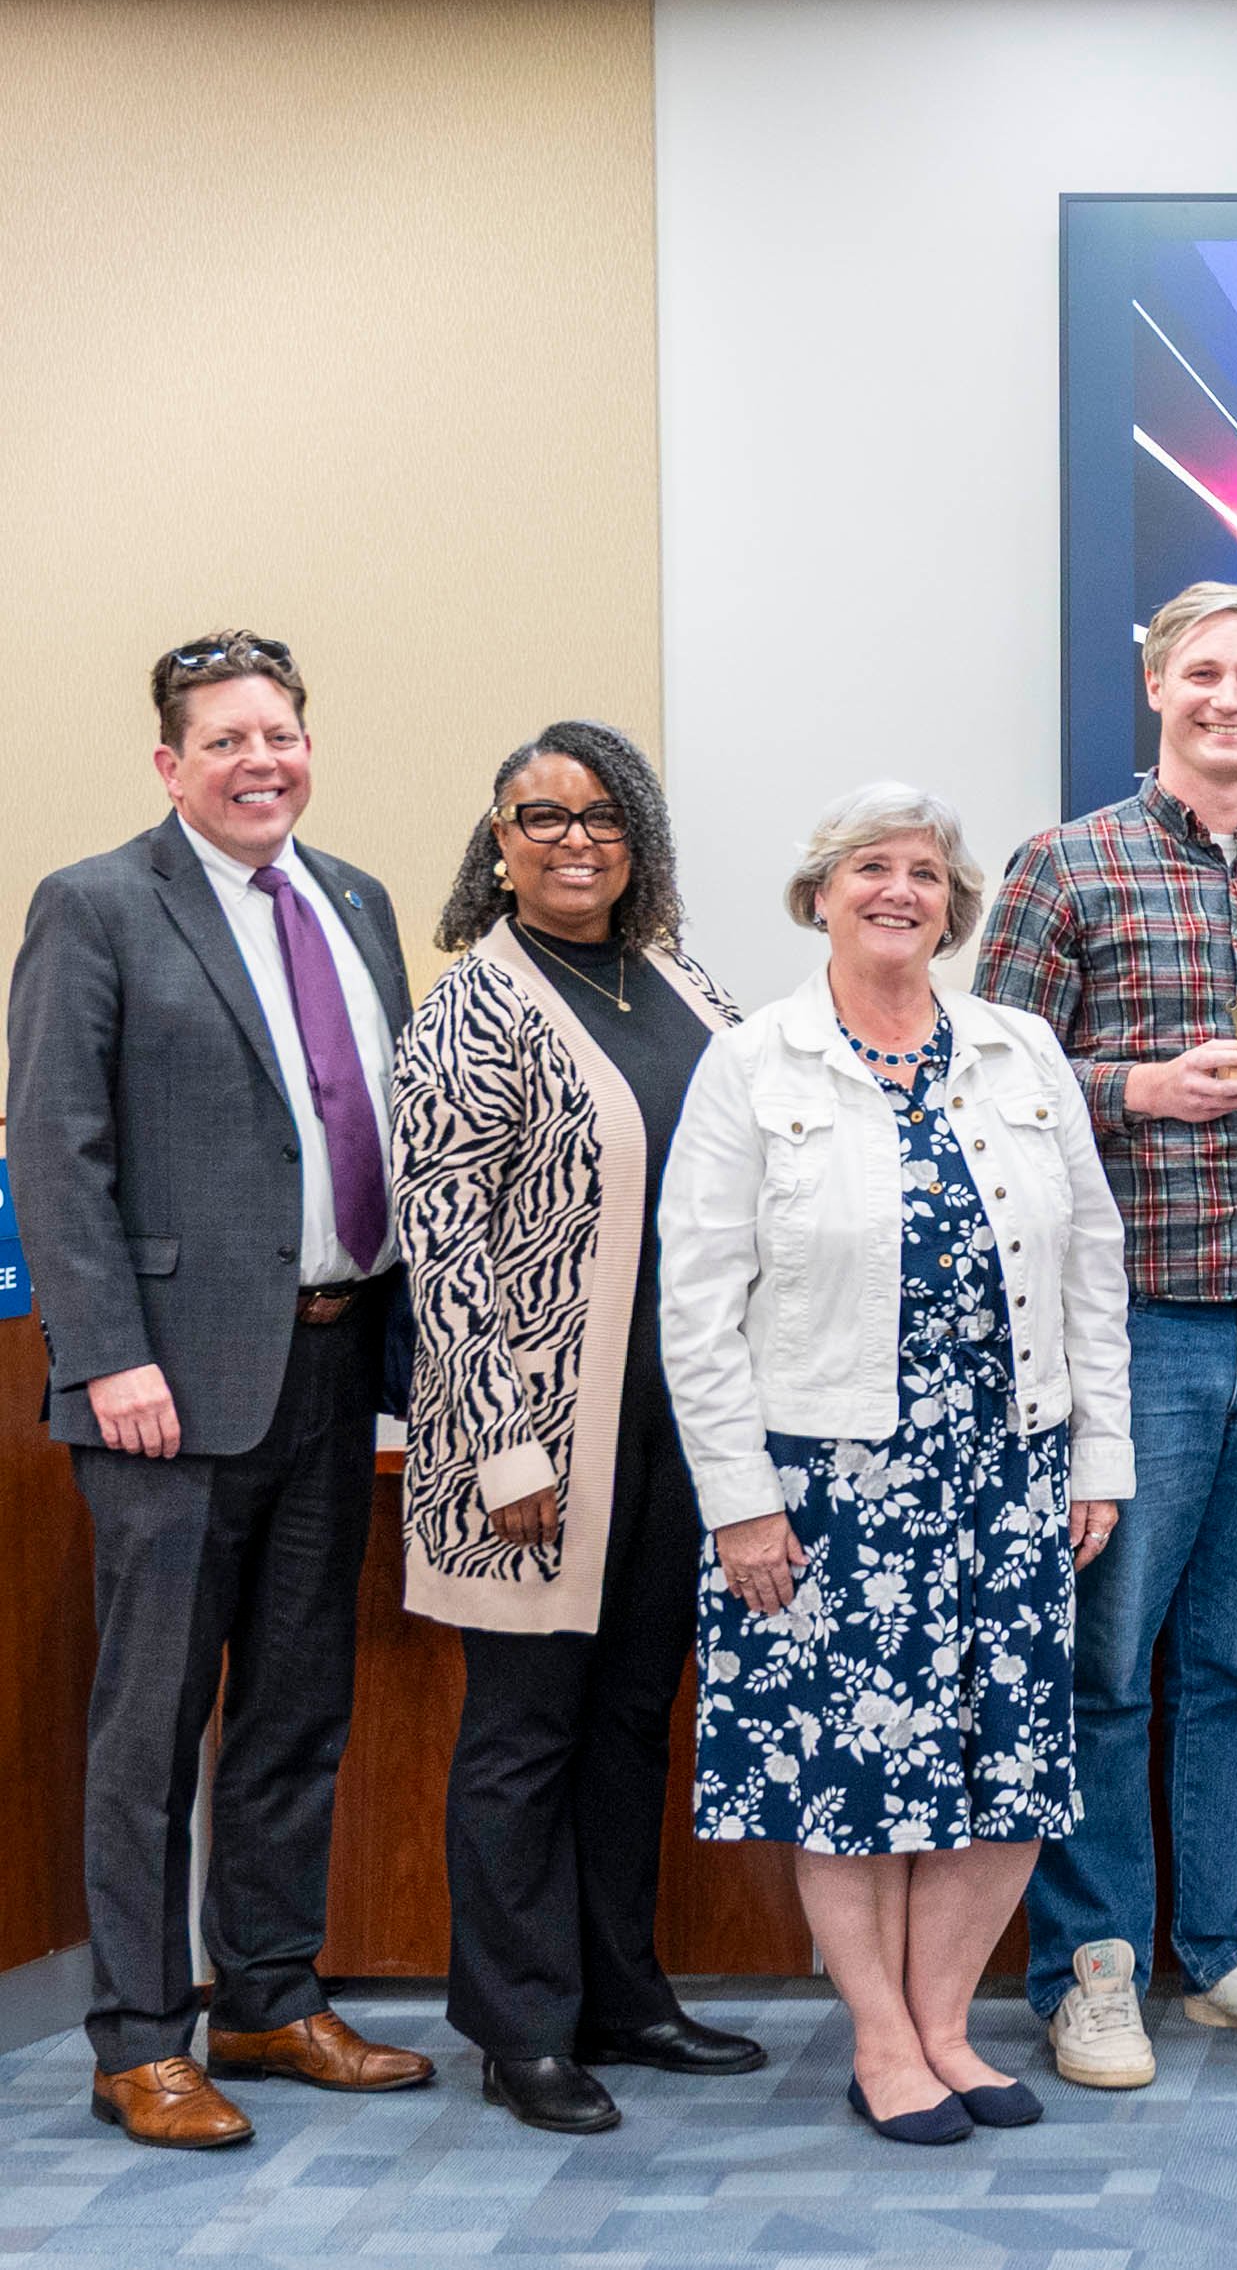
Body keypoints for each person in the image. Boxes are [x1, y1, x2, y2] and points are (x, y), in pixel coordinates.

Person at [7, 632, 432, 2148]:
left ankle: (265, 1992)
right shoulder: (99, 904)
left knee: (298, 1707)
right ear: (170, 762)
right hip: (167, 1393)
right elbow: (58, 1151)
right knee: (151, 1726)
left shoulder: (357, 900)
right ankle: (139, 2038)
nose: (264, 760)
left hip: (333, 1362)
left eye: (284, 733)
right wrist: (107, 1350)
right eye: (229, 738)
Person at [660, 784, 1129, 2145]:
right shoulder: (755, 1062)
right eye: (872, 866)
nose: (900, 889)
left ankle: (943, 2027)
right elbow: (695, 1297)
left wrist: (1096, 1453)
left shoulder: (1021, 1050)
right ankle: (880, 2037)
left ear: (954, 905)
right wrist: (739, 1500)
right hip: (825, 1485)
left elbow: (1090, 1266)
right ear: (820, 892)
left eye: (925, 872)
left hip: (1008, 1466)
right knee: (856, 1774)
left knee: (1006, 1764)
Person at [978, 581, 1237, 2082]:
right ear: (1154, 683)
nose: (1232, 697)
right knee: (1103, 1666)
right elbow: (981, 1093)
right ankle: (1089, 1961)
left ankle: (1222, 1947)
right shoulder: (1061, 868)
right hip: (1128, 1328)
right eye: (1206, 672)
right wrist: (1137, 1089)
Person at [393, 723, 758, 2136]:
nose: (571, 839)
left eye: (600, 815)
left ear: (637, 837)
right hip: (531, 1441)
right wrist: (500, 1443)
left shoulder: (683, 981)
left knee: (626, 1721)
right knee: (523, 1734)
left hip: (678, 1419)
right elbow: (444, 1243)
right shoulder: (467, 1009)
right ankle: (519, 2022)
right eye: (539, 816)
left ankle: (623, 1995)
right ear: (497, 839)